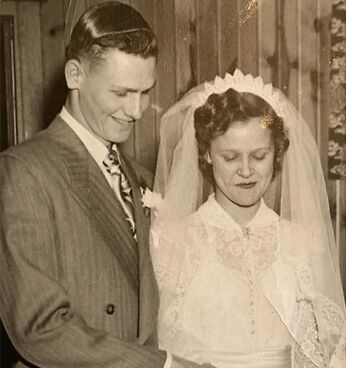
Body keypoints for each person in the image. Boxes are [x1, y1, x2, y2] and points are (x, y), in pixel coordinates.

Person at [0, 2, 202, 367]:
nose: (138, 111)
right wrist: (162, 364)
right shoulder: (24, 172)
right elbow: (40, 326)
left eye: (145, 92)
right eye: (122, 93)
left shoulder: (137, 174)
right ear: (74, 75)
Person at [150, 71, 346, 368]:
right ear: (206, 155)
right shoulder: (171, 240)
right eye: (230, 157)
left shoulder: (303, 241)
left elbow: (331, 350)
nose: (246, 171)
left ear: (276, 154)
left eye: (259, 156)